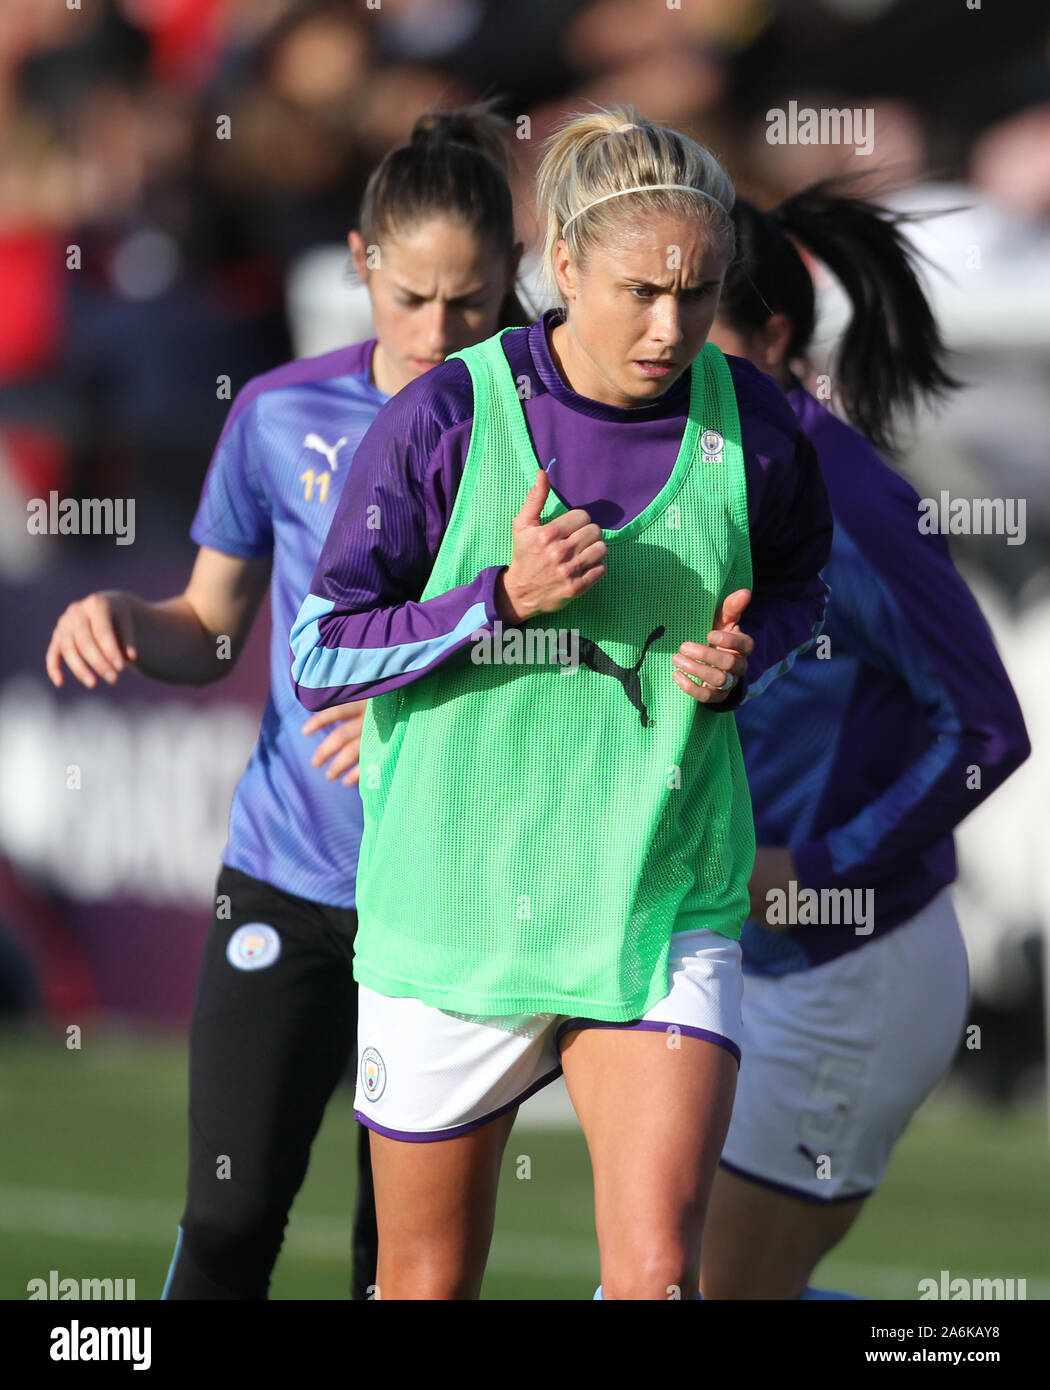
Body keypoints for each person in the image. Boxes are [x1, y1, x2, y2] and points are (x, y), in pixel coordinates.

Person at [289, 103, 833, 1301]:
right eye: (640, 289)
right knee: (424, 1282)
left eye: (697, 294)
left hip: (656, 899)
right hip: (456, 912)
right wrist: (498, 597)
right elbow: (319, 651)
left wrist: (755, 656)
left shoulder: (761, 429)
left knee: (653, 1277)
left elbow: (798, 590)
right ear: (567, 265)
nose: (671, 324)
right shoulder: (441, 415)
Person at [44, 105, 526, 1301]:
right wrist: (124, 619)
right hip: (290, 874)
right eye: (409, 296)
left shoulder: (555, 427)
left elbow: (587, 644)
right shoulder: (280, 411)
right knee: (229, 1210)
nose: (436, 329)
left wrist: (429, 722)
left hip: (459, 904)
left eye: (468, 301)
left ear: (516, 279)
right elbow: (212, 630)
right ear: (360, 263)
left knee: (403, 1263)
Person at [699, 186, 1031, 1300]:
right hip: (718, 965)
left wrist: (819, 871)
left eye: (696, 312)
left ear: (774, 336)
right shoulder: (674, 478)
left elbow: (989, 728)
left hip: (846, 972)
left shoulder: (851, 503)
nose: (659, 340)